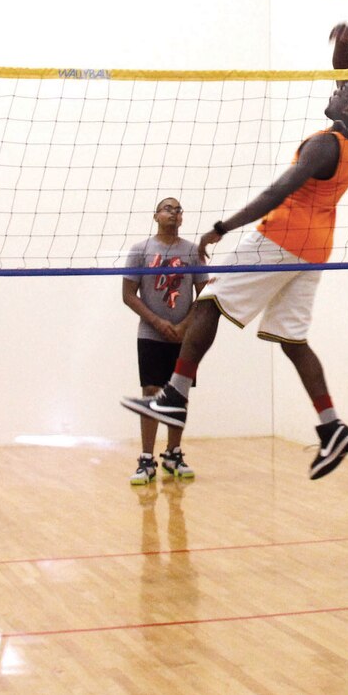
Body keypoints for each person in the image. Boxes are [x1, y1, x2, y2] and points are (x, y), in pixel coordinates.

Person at [122, 23, 348, 480]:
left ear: (347, 106)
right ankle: (331, 425)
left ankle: (174, 394)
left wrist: (221, 227)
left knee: (208, 301)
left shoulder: (324, 145)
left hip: (281, 238)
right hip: (316, 249)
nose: (335, 87)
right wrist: (342, 48)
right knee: (292, 340)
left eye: (342, 89)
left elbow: (276, 192)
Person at [123, 197, 208, 485]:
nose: (174, 213)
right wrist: (158, 322)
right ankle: (147, 460)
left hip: (185, 336)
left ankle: (173, 454)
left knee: (179, 394)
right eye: (168, 208)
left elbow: (204, 294)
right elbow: (128, 295)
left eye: (178, 209)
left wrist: (184, 325)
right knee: (151, 391)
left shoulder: (193, 252)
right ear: (155, 215)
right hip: (150, 334)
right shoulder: (140, 250)